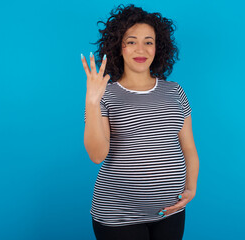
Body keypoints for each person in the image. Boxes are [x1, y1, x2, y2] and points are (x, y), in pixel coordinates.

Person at [81, 4, 199, 240]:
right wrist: (92, 101)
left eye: (148, 41)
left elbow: (188, 147)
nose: (141, 48)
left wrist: (191, 188)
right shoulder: (106, 94)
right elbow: (96, 155)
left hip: (170, 212)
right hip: (118, 217)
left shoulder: (176, 91)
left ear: (158, 47)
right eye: (131, 41)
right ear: (119, 47)